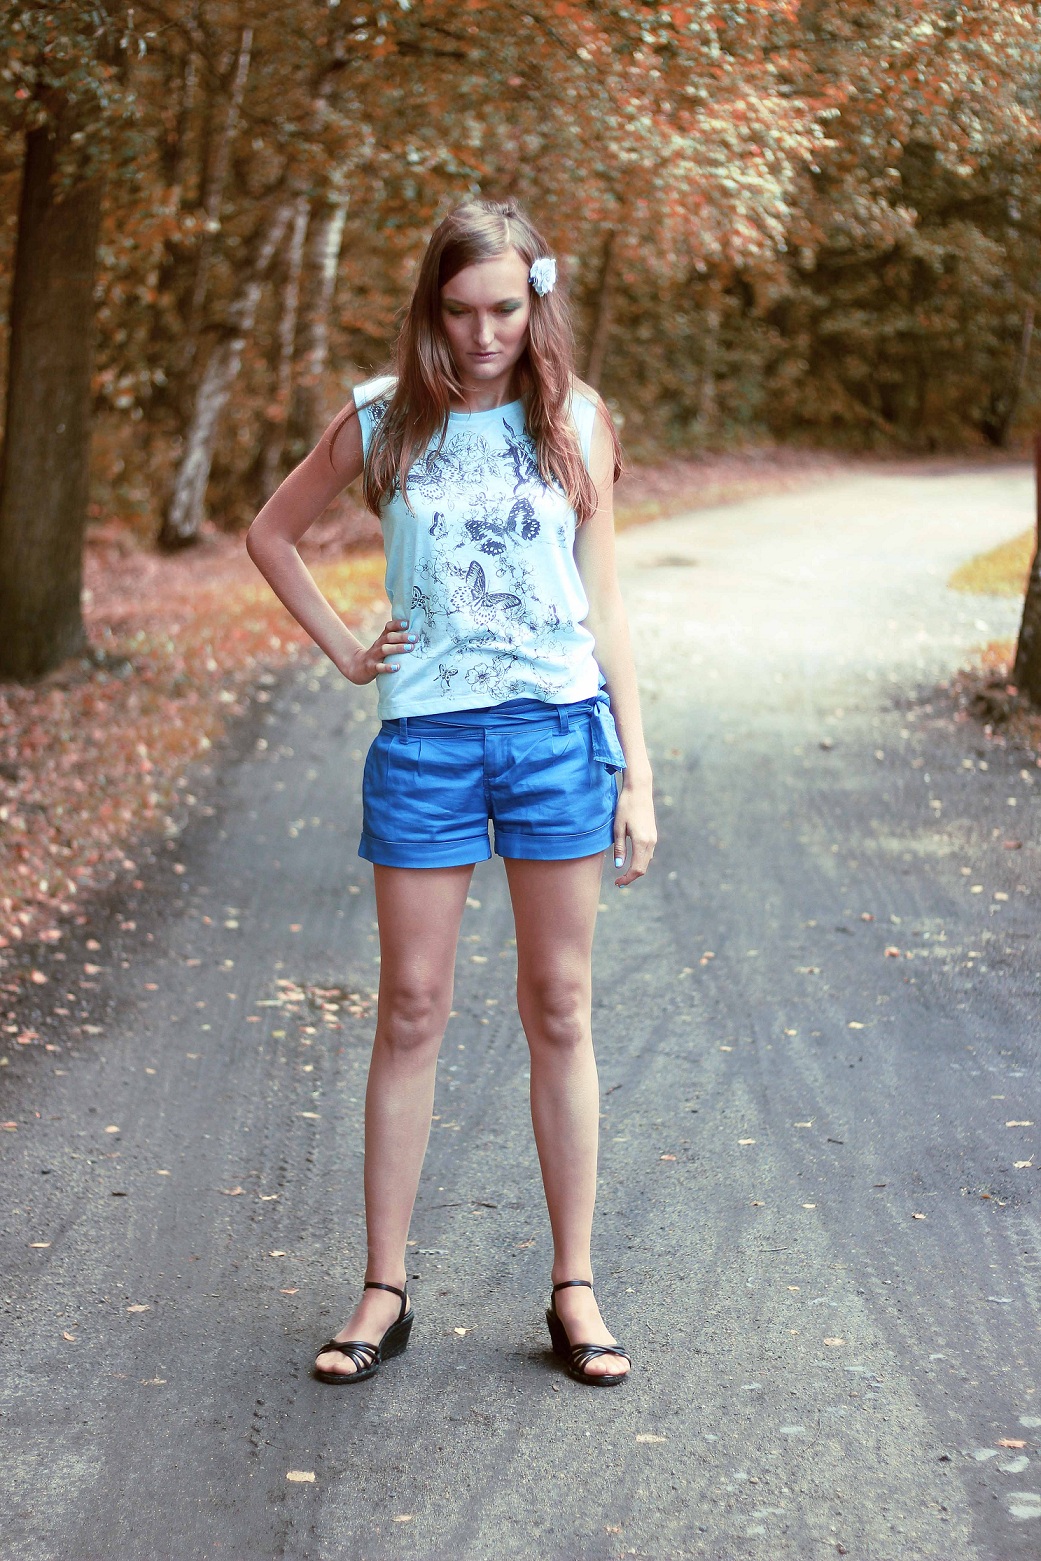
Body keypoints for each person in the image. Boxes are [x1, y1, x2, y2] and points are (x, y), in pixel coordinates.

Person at [246, 199, 656, 1388]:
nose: (484, 336)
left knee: (561, 1004)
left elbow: (606, 604)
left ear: (539, 301)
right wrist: (345, 648)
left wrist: (639, 772)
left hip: (557, 734)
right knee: (413, 1005)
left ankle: (574, 1287)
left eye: (506, 310)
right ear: (432, 306)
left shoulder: (577, 418)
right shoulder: (383, 418)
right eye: (462, 311)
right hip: (425, 741)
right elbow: (271, 534)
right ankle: (383, 1289)